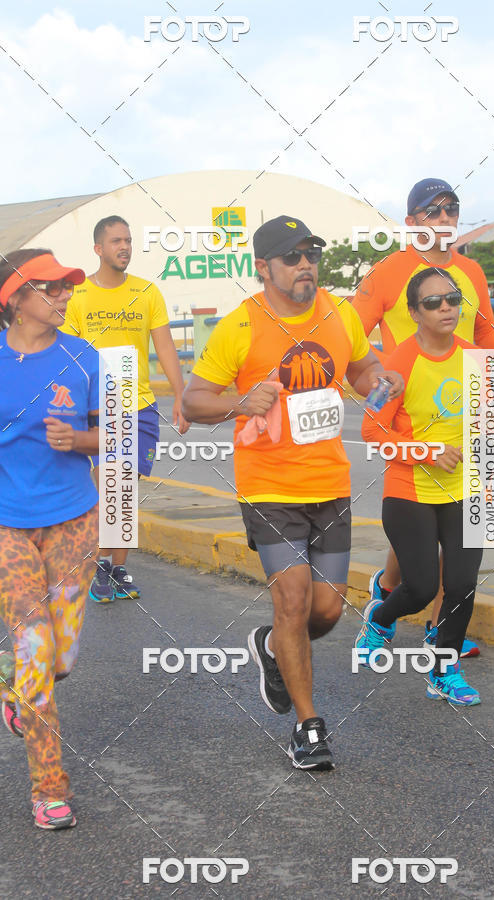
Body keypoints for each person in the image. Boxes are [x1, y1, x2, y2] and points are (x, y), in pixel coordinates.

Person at [182, 215, 403, 770]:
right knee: (294, 600)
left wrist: (380, 382)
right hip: (269, 486)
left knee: (326, 611)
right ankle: (308, 727)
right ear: (264, 268)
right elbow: (192, 401)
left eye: (312, 254)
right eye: (292, 256)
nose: (305, 265)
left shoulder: (339, 313)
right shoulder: (240, 326)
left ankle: (272, 645)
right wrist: (239, 404)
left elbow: (362, 367)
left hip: (329, 482)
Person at [351, 178, 494, 657]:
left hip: (472, 415)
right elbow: (348, 336)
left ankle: (441, 636)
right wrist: (380, 380)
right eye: (432, 211)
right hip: (414, 418)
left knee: (462, 538)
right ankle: (391, 594)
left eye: (451, 209)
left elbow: (484, 335)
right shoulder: (388, 272)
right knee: (421, 527)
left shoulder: (471, 271)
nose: (444, 219)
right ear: (411, 222)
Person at [0, 248, 100, 828]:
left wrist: (81, 441)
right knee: (35, 647)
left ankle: (14, 689)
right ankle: (49, 787)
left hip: (74, 521)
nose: (64, 295)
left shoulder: (85, 358)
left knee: (59, 658)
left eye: (67, 287)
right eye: (51, 287)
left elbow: (127, 433)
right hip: (6, 524)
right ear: (15, 298)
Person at [355, 267, 485, 705]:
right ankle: (379, 619)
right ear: (414, 312)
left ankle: (443, 671)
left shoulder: (475, 359)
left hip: (465, 489)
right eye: (433, 302)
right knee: (423, 588)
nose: (446, 308)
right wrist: (426, 451)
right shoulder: (395, 367)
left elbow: (485, 426)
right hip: (410, 491)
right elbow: (371, 431)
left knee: (462, 585)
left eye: (452, 299)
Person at [61, 215, 189, 603]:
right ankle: (99, 566)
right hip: (98, 407)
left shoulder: (147, 292)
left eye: (129, 240)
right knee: (109, 486)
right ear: (98, 248)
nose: (125, 247)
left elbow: (165, 347)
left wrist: (181, 395)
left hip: (139, 405)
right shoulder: (78, 296)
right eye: (117, 241)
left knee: (125, 491)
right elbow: (67, 356)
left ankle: (117, 569)